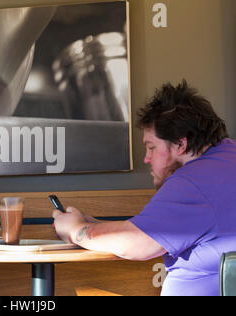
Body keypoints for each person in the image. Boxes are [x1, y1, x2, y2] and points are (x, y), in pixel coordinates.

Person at [52, 80, 236, 296]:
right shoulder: (227, 159)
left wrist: (75, 231)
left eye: (151, 147)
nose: (146, 159)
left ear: (180, 144)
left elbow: (138, 244)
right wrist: (95, 225)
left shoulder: (192, 183)